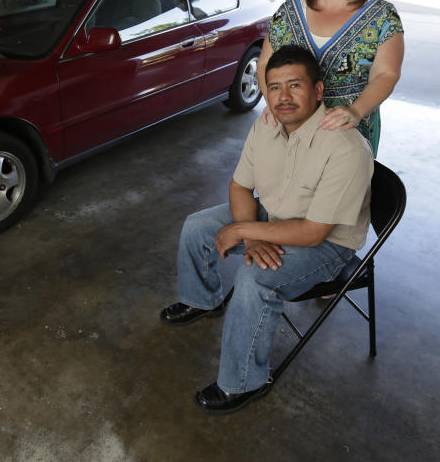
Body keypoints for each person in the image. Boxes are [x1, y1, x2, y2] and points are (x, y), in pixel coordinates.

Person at [160, 45, 373, 414]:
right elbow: (240, 186)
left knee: (255, 278)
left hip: (327, 245)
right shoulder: (267, 126)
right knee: (198, 226)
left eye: (294, 85)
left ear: (319, 90)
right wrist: (253, 232)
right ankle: (201, 299)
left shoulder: (346, 149)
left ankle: (243, 381)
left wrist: (244, 229)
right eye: (274, 87)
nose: (283, 97)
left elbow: (313, 233)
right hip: (271, 217)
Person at [258, 0, 404, 156]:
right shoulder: (287, 13)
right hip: (289, 131)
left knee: (342, 192)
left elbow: (387, 74)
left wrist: (356, 111)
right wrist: (274, 103)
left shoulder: (382, 16)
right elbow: (265, 63)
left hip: (348, 135)